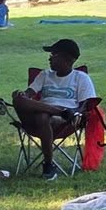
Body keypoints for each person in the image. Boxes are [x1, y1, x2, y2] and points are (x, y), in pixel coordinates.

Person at [11, 39, 96, 178]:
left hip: (65, 121)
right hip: (52, 114)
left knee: (43, 116)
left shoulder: (81, 78)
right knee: (19, 100)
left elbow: (85, 106)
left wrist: (76, 115)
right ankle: (59, 112)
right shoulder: (45, 75)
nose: (49, 58)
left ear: (67, 59)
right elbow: (28, 94)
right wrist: (21, 94)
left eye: (53, 55)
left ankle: (48, 165)